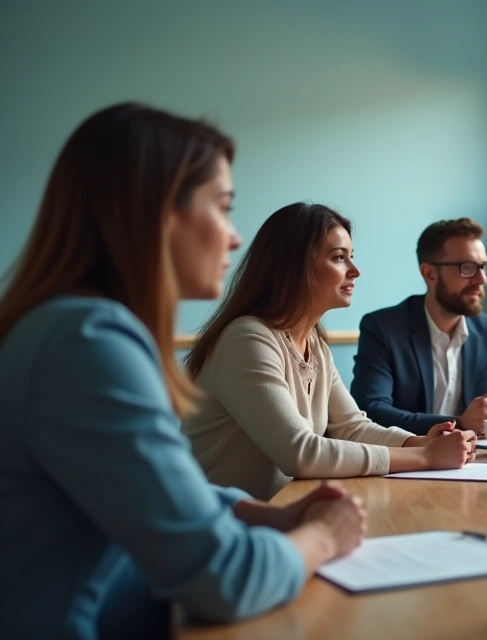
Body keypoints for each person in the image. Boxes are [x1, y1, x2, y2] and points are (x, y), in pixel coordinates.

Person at [0, 103, 367, 639]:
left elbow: (165, 490)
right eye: (222, 207)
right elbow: (222, 579)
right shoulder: (88, 343)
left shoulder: (69, 327)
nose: (235, 238)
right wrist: (324, 538)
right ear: (157, 214)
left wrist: (272, 516)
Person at [184, 204, 476, 501]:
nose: (355, 270)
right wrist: (426, 457)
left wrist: (419, 442)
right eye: (339, 257)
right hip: (212, 529)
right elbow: (301, 453)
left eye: (351, 257)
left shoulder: (315, 345)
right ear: (293, 266)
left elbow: (351, 427)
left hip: (271, 517)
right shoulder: (247, 339)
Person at [351, 218, 487, 436]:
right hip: (411, 461)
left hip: (479, 463)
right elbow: (372, 410)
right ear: (430, 273)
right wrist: (459, 424)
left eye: (484, 267)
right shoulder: (383, 328)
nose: (482, 279)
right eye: (467, 267)